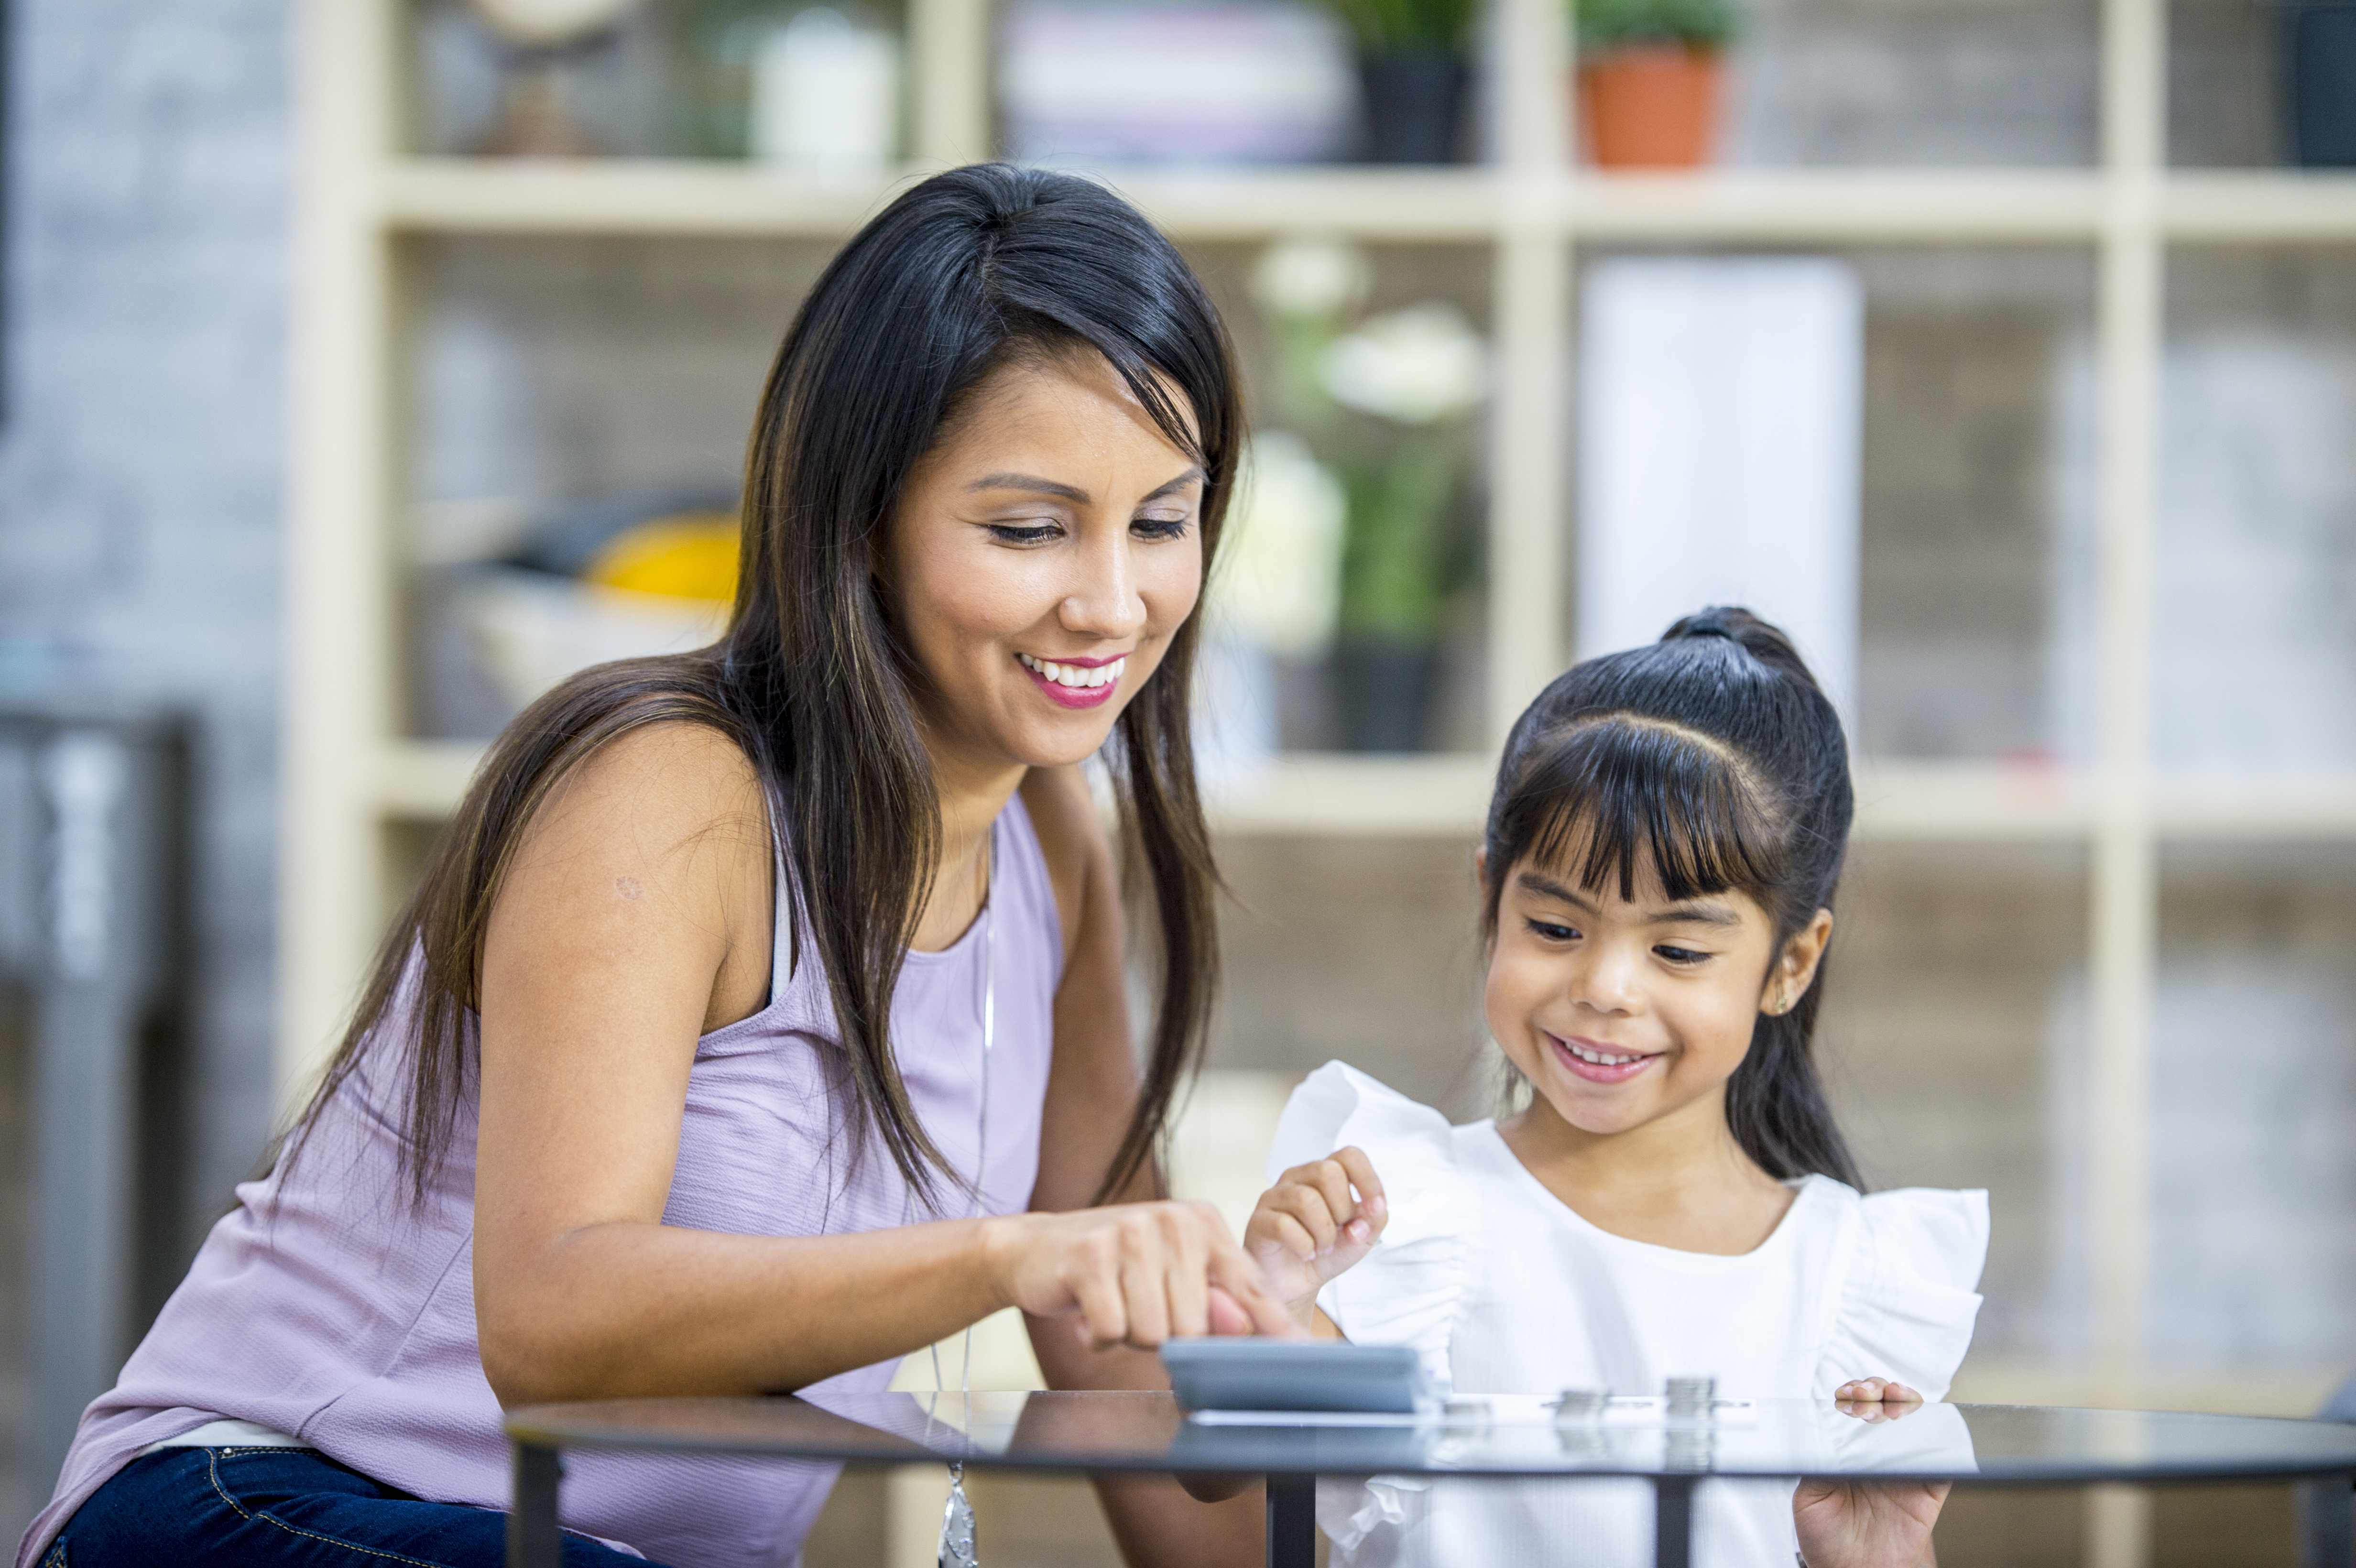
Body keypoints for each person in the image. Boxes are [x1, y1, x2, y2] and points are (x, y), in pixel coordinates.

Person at [18, 163, 1298, 1568]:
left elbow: (1143, 1427)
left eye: (1161, 522)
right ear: (863, 519)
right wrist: (1002, 1257)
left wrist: (1278, 1340)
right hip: (257, 1500)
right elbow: (552, 1323)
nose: (1112, 601)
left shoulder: (1054, 847)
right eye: (1028, 529)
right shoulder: (673, 792)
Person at [1243, 609, 1988, 1568]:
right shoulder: (1404, 1216)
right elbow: (1230, 1481)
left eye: (1678, 950)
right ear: (1491, 898)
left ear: (1791, 963)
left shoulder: (1849, 1277)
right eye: (1556, 929)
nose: (1604, 988)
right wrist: (1271, 1301)